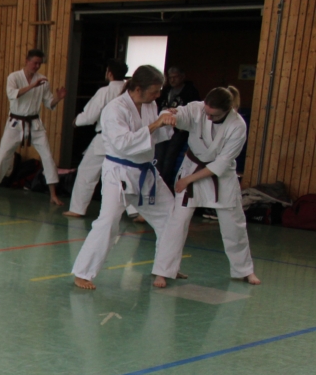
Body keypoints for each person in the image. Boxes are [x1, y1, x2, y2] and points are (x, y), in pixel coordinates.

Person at [70, 65, 177, 290]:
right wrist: (156, 124)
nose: (158, 95)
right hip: (119, 173)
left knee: (171, 216)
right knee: (108, 222)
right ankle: (82, 272)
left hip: (146, 172)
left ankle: (165, 268)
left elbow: (156, 136)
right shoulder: (115, 109)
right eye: (154, 91)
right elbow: (123, 143)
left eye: (159, 91)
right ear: (138, 89)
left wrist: (166, 119)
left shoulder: (150, 104)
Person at [155, 86, 259, 286]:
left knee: (234, 225)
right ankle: (163, 271)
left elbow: (221, 164)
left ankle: (244, 270)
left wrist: (187, 180)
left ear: (228, 110)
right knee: (177, 222)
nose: (208, 117)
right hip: (192, 165)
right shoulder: (197, 109)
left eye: (214, 115)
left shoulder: (237, 125)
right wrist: (168, 116)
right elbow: (177, 114)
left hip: (221, 177)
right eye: (207, 112)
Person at [65, 59, 144, 224]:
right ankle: (136, 211)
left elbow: (90, 115)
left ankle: (77, 209)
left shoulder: (105, 91)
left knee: (86, 172)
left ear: (109, 73)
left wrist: (77, 121)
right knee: (125, 173)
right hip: (128, 139)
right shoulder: (131, 91)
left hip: (105, 139)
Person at [0, 49, 66, 205]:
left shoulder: (43, 80)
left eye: (40, 64)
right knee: (2, 155)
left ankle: (53, 195)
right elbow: (12, 94)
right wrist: (32, 86)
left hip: (34, 124)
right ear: (27, 61)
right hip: (15, 123)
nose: (37, 66)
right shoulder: (14, 77)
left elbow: (49, 103)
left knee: (47, 156)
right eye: (35, 63)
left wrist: (58, 98)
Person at [154, 65, 201, 186]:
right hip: (163, 127)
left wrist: (183, 126)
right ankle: (155, 181)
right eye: (170, 78)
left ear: (182, 77)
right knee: (159, 156)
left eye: (175, 77)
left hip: (179, 129)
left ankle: (164, 183)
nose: (172, 80)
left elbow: (194, 113)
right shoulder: (165, 91)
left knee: (170, 157)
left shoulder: (190, 91)